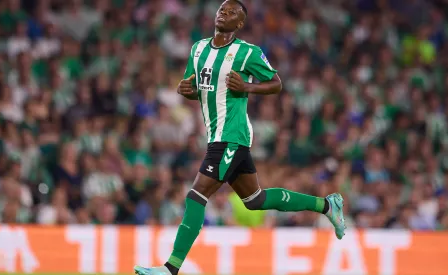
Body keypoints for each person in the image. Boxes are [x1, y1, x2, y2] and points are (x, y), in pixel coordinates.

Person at [134, 1, 346, 275]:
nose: (225, 13)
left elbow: (276, 83)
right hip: (216, 135)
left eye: (233, 12)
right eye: (223, 8)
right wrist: (185, 89)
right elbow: (196, 87)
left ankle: (170, 268)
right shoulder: (198, 49)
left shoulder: (247, 53)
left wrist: (247, 86)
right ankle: (328, 205)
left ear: (240, 24)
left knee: (196, 194)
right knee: (254, 200)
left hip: (231, 136)